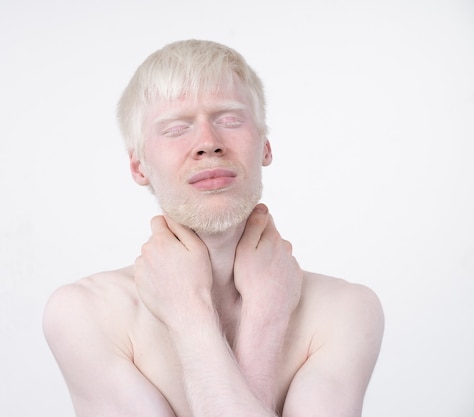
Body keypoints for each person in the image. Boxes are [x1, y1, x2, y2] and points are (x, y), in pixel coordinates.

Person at [43, 39, 384, 417]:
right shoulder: (84, 315)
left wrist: (264, 320)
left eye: (229, 120)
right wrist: (190, 311)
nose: (208, 143)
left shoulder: (346, 311)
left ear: (266, 147)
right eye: (175, 129)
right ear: (139, 167)